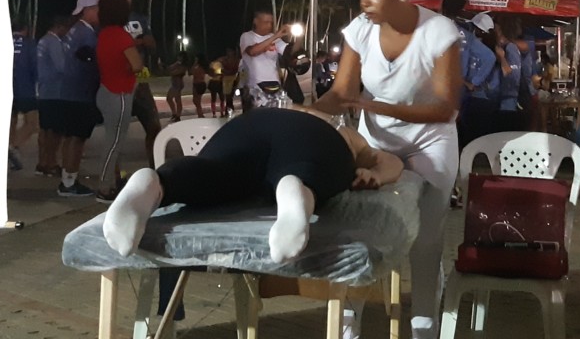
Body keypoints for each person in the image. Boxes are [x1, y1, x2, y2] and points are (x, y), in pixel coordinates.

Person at [313, 0, 461, 339]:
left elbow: (445, 107)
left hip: (430, 145)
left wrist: (378, 107)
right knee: (360, 236)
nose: (365, 1)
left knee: (425, 245)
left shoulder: (439, 33)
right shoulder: (359, 31)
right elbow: (342, 93)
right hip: (375, 145)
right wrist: (306, 114)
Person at [101, 107, 405, 265]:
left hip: (248, 126)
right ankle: (297, 188)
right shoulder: (343, 129)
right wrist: (375, 174)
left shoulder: (290, 107)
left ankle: (156, 182)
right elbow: (391, 161)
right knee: (307, 169)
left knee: (215, 172)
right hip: (312, 136)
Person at [94, 0, 145, 202]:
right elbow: (137, 65)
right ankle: (104, 187)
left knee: (112, 140)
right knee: (114, 142)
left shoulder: (103, 34)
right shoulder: (122, 36)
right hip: (120, 93)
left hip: (105, 90)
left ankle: (111, 182)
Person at [110, 0, 161, 167]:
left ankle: (155, 168)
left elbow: (152, 43)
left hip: (141, 82)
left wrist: (138, 43)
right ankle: (115, 175)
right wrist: (138, 42)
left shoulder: (140, 19)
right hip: (117, 85)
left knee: (154, 127)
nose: (125, 1)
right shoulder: (105, 21)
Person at [58, 0, 103, 197]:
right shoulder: (85, 33)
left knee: (71, 138)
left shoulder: (74, 30)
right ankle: (69, 183)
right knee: (77, 139)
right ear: (88, 10)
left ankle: (67, 179)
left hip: (70, 92)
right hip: (80, 93)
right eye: (99, 9)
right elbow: (91, 60)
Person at [34, 16, 70, 176]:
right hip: (55, 91)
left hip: (44, 91)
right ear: (59, 27)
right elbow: (62, 66)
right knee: (55, 131)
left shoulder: (42, 41)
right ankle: (51, 162)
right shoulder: (54, 42)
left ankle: (42, 162)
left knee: (44, 129)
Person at [459, 12, 500, 147]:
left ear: (477, 30)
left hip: (473, 98)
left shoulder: (473, 46)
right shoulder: (494, 48)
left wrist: (473, 82)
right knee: (482, 141)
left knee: (469, 140)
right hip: (488, 100)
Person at [239, 11, 294, 111]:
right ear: (256, 21)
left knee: (283, 112)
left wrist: (299, 36)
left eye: (271, 22)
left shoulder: (273, 38)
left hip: (274, 84)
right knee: (258, 116)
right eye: (266, 22)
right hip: (254, 85)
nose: (269, 25)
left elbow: (289, 53)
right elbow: (252, 51)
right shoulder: (247, 36)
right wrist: (275, 36)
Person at [9, 18, 39, 172]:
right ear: (25, 29)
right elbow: (36, 67)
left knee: (10, 123)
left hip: (6, 89)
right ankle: (12, 147)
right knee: (33, 123)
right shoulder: (29, 44)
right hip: (25, 89)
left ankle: (9, 154)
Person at [166, 52, 187, 122]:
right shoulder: (177, 64)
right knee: (172, 99)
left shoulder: (183, 66)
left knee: (175, 99)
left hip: (178, 85)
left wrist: (172, 70)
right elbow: (169, 68)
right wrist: (175, 64)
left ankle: (177, 115)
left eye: (180, 57)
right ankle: (175, 114)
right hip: (175, 84)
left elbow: (173, 72)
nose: (178, 58)